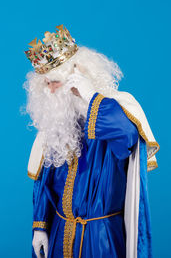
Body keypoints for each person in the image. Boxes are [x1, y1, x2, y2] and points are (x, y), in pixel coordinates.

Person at [24, 25, 159, 258]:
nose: (50, 90)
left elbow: (127, 137)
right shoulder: (58, 126)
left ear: (77, 75)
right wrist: (40, 226)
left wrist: (91, 97)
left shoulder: (115, 108)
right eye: (46, 84)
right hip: (60, 233)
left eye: (55, 81)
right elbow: (44, 182)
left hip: (101, 238)